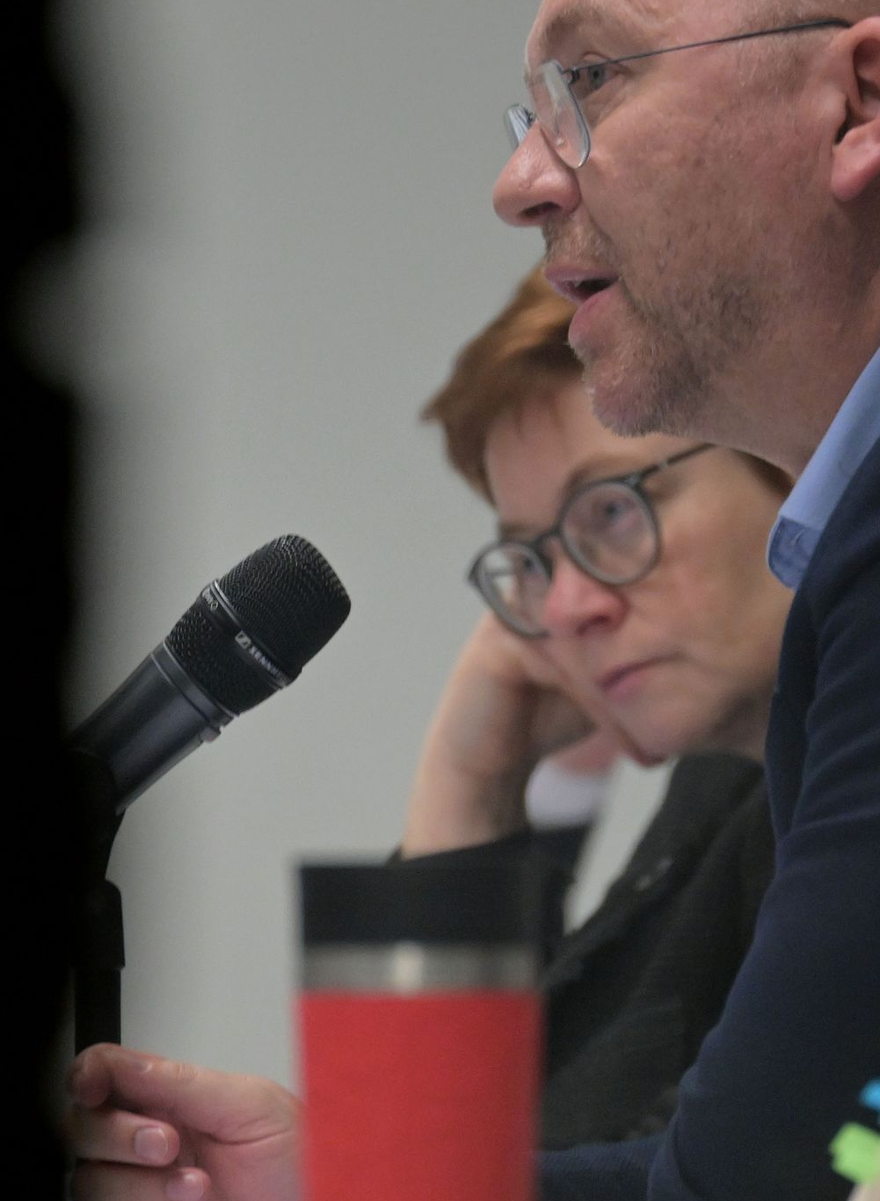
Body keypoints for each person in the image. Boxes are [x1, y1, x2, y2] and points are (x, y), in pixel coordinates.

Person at [68, 2, 880, 1198]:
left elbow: (741, 1183)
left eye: (591, 79)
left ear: (860, 101)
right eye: (529, 555)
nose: (519, 182)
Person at [65, 269, 796, 1197]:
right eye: (532, 559)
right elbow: (502, 1140)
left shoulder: (864, 780)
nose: (564, 607)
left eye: (610, 511)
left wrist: (349, 1177)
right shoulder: (728, 784)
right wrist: (469, 778)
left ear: (790, 463)